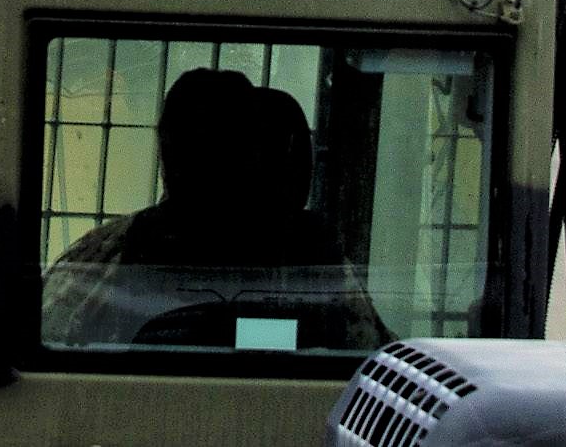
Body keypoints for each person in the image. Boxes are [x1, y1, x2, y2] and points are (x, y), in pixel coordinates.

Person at [39, 67, 362, 348]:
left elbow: (46, 338)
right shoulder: (316, 258)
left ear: (165, 155)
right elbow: (371, 360)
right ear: (258, 150)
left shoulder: (104, 253)